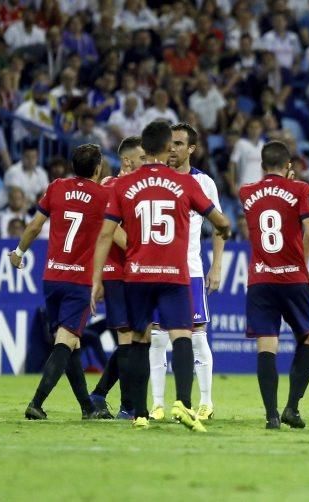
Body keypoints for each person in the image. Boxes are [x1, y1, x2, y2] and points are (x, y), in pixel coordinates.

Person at [91, 120, 231, 431]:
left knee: (142, 338)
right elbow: (222, 222)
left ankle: (140, 411)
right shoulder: (185, 184)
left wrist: (96, 278)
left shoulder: (124, 185)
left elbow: (105, 235)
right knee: (181, 334)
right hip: (175, 271)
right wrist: (224, 229)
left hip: (139, 272)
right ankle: (178, 401)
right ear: (168, 147)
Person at [11, 144, 111, 421]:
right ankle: (37, 403)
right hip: (78, 280)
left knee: (71, 345)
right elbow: (112, 234)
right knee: (65, 342)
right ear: (97, 168)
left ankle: (87, 408)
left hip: (52, 277)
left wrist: (18, 253)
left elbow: (33, 226)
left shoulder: (56, 187)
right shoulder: (103, 195)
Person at [240, 141, 309, 429]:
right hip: (293, 277)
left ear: (262, 166)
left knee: (267, 344)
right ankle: (292, 407)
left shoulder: (246, 192)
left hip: (260, 279)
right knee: (308, 335)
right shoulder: (300, 189)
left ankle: (271, 415)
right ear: (289, 165)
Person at [148, 123, 224, 422]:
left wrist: (216, 266)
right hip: (155, 270)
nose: (173, 149)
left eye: (179, 144)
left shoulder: (203, 183)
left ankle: (205, 402)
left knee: (196, 336)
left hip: (189, 269)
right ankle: (157, 404)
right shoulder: (155, 180)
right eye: (170, 143)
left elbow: (220, 225)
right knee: (156, 338)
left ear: (191, 148)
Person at [88, 136, 146, 420]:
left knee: (135, 339)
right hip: (118, 272)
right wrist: (145, 250)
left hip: (134, 271)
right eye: (143, 159)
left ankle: (99, 395)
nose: (147, 163)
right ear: (127, 161)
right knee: (126, 339)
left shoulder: (137, 187)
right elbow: (113, 232)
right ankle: (128, 407)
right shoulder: (111, 186)